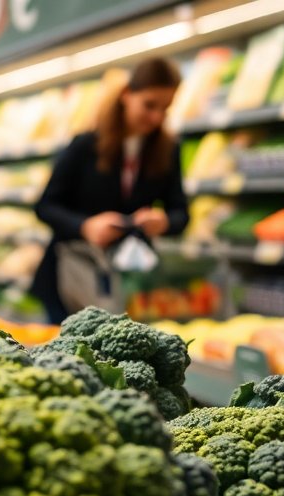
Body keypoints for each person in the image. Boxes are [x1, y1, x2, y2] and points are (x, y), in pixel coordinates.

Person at [32, 58, 189, 322]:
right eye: (149, 105)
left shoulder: (168, 150)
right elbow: (45, 206)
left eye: (165, 109)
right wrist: (86, 227)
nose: (157, 117)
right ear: (127, 95)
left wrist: (163, 222)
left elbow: (181, 213)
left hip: (129, 282)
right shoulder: (85, 146)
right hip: (73, 280)